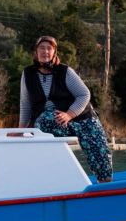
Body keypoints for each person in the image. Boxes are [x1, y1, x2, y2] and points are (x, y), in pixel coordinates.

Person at [18, 35, 113, 183]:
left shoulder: (65, 71)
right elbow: (25, 104)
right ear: (36, 52)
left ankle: (105, 183)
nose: (45, 51)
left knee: (99, 151)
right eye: (41, 48)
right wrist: (20, 131)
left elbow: (84, 94)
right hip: (53, 121)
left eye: (49, 48)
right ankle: (58, 177)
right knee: (44, 121)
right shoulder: (28, 74)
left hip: (82, 118)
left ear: (54, 52)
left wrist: (69, 114)